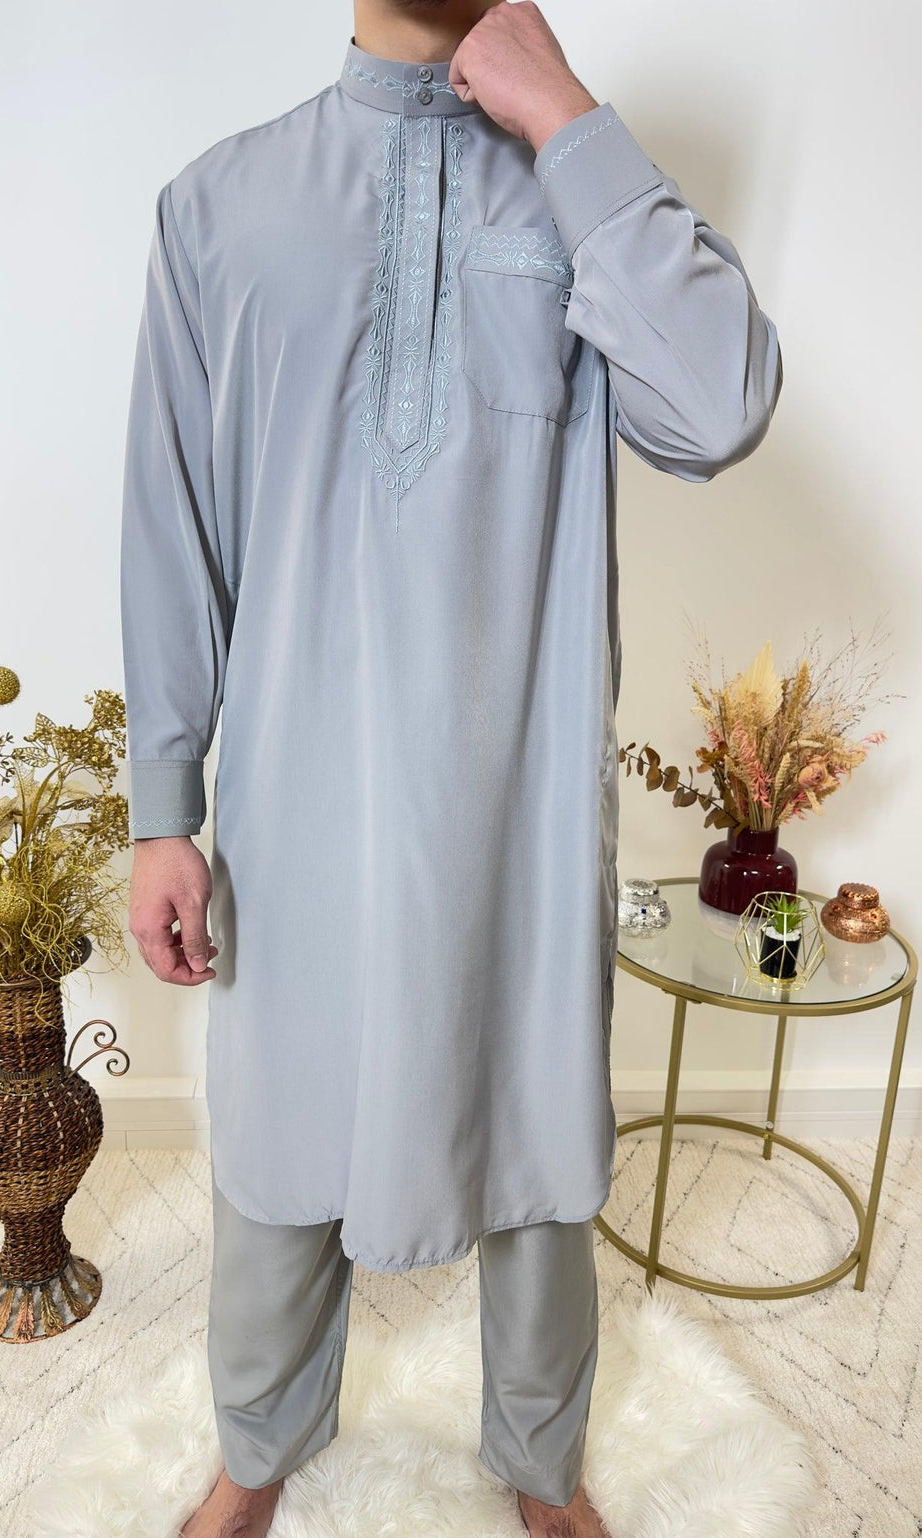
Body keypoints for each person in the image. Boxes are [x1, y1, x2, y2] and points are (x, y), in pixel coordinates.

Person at [120, 1, 782, 1532]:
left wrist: (565, 119)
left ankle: (541, 1463)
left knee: (538, 1133)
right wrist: (165, 805)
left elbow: (721, 404)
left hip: (519, 804)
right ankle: (257, 1447)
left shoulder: (580, 183)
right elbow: (171, 523)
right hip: (296, 793)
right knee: (279, 1128)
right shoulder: (219, 206)